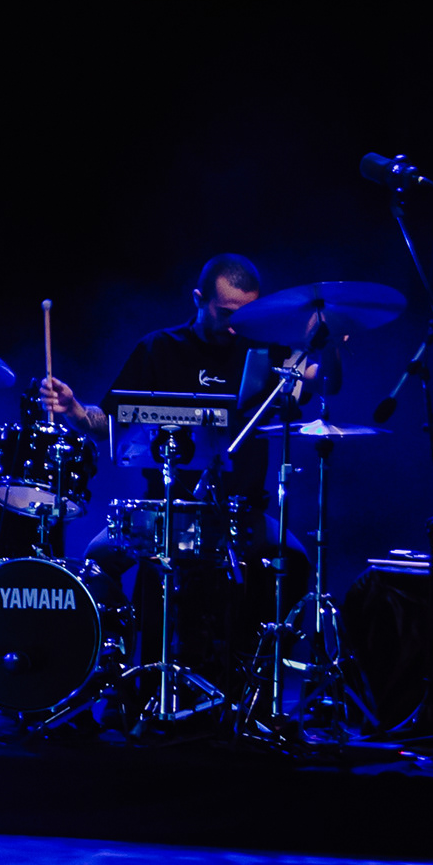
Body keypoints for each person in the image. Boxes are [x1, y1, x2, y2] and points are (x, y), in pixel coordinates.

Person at [41, 254, 313, 683]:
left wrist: (324, 346)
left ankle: (260, 674)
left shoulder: (264, 355)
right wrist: (75, 410)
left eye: (246, 314)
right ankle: (113, 674)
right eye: (226, 313)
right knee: (95, 562)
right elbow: (107, 424)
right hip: (161, 513)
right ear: (198, 299)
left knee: (297, 561)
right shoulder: (158, 349)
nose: (235, 326)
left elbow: (311, 382)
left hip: (240, 515)